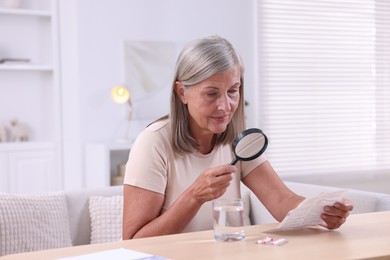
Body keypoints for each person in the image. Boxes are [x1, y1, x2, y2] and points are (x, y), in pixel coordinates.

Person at [122, 35, 353, 239]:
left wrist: (322, 212)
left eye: (233, 91)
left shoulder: (240, 142)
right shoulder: (152, 143)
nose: (225, 106)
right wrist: (195, 195)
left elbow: (283, 202)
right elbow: (133, 241)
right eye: (211, 93)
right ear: (182, 92)